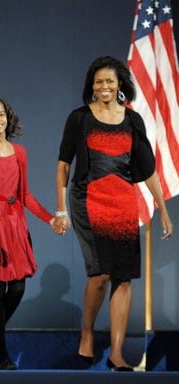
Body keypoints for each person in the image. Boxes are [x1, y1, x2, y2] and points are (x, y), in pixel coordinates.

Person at [54, 56, 173, 371]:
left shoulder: (133, 120)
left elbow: (148, 170)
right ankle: (88, 331)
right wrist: (61, 208)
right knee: (101, 273)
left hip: (122, 202)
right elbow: (64, 165)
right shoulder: (79, 118)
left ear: (120, 84)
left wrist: (163, 209)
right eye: (98, 81)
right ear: (91, 86)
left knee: (123, 277)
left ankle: (117, 354)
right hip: (87, 200)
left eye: (109, 80)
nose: (103, 86)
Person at [0, 97, 61, 370]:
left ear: (8, 118)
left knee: (18, 285)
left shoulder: (19, 152)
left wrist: (50, 219)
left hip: (14, 223)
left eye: (1, 114)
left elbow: (25, 195)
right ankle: (1, 356)